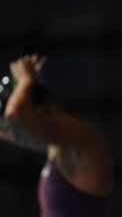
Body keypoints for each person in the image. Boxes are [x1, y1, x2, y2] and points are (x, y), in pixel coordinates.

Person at [0, 54, 113, 217]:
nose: (16, 136)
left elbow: (14, 115)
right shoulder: (58, 145)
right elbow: (16, 127)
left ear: (36, 110)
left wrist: (26, 80)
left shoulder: (82, 138)